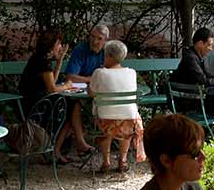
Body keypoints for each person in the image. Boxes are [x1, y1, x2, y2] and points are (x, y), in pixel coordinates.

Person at [19, 30, 88, 164]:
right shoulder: (42, 62)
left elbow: (52, 81)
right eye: (59, 44)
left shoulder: (40, 59)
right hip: (35, 108)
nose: (61, 47)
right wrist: (67, 85)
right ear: (51, 45)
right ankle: (60, 149)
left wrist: (59, 62)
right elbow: (52, 89)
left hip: (38, 104)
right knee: (71, 106)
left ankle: (59, 149)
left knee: (71, 106)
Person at [89, 40, 145, 173]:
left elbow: (92, 92)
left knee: (108, 124)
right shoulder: (131, 73)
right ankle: (122, 160)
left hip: (105, 121)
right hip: (129, 120)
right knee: (124, 126)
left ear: (109, 56)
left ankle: (106, 162)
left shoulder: (99, 73)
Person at [171, 28, 214, 114]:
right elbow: (203, 80)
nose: (211, 48)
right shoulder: (190, 58)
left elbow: (205, 77)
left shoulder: (196, 56)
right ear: (200, 43)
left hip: (191, 95)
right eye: (209, 45)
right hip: (184, 99)